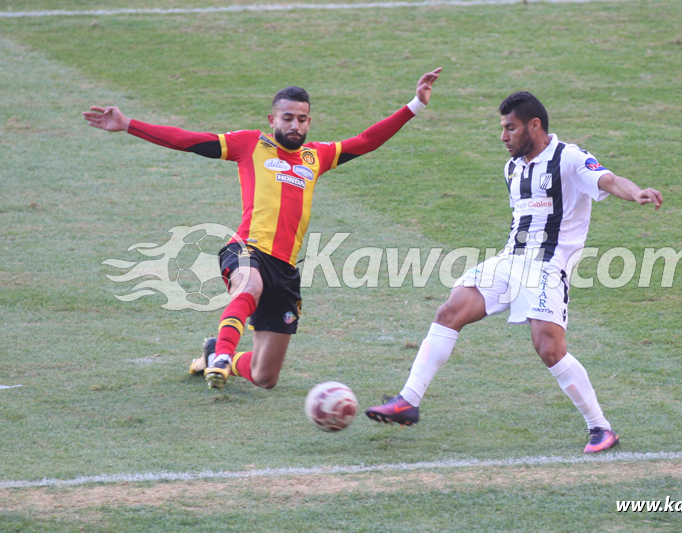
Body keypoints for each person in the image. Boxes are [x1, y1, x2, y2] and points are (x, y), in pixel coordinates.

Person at [83, 67, 442, 391]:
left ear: (309, 122)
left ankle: (214, 353)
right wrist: (128, 124)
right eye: (288, 118)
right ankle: (223, 355)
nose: (295, 125)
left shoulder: (316, 157)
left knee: (265, 376)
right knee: (249, 286)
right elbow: (188, 139)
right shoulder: (250, 144)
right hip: (246, 249)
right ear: (272, 119)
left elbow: (366, 141)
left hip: (284, 270)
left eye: (302, 119)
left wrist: (415, 105)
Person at [365, 91, 662, 453]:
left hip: (547, 266)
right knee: (449, 311)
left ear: (534, 126)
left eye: (511, 128)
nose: (503, 136)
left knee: (549, 349)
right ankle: (408, 401)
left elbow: (609, 181)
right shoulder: (512, 168)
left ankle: (601, 428)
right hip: (510, 261)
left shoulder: (569, 158)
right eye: (503, 128)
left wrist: (636, 193)